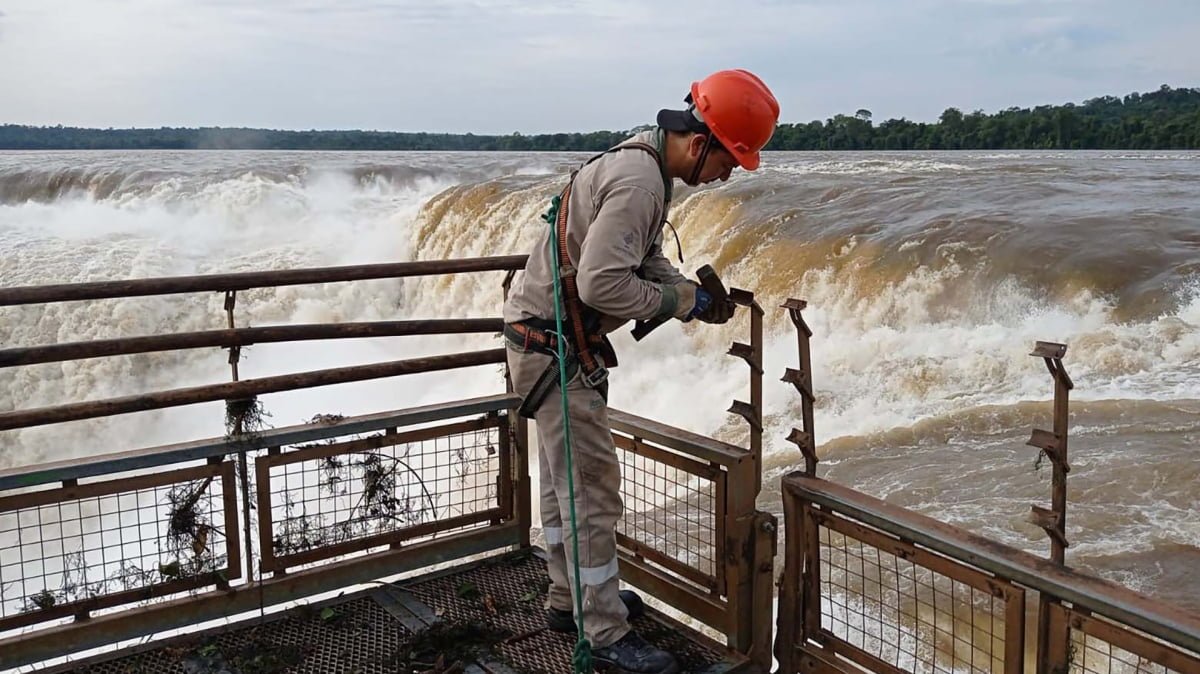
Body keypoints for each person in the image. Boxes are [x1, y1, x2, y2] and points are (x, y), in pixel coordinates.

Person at [503, 69, 779, 674]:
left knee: (561, 481)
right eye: (729, 160)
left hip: (542, 342)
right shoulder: (640, 184)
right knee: (592, 489)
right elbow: (604, 281)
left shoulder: (643, 162)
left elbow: (637, 256)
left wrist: (684, 291)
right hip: (555, 349)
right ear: (699, 140)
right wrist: (680, 303)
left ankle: (568, 597)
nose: (728, 175)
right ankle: (602, 633)